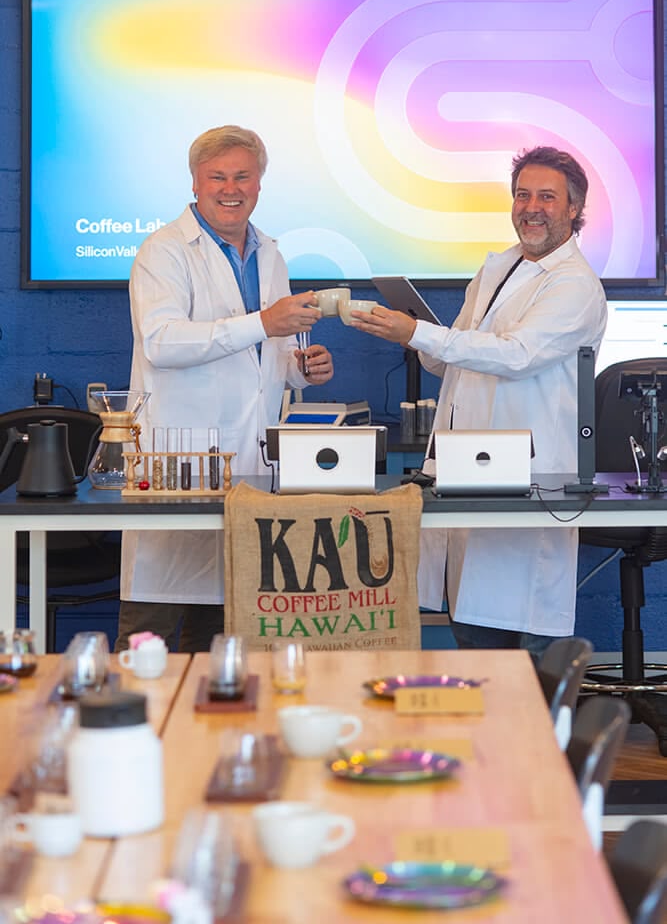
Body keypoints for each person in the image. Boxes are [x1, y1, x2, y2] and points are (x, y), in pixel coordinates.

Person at [351, 146, 607, 660]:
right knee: (474, 631)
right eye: (522, 194)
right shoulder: (499, 268)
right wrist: (413, 336)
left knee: (528, 642)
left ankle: (537, 738)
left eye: (547, 197)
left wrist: (421, 332)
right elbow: (452, 363)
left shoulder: (576, 286)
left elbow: (516, 355)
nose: (531, 206)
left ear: (575, 210)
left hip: (531, 479)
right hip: (470, 474)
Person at [115, 126, 334, 652]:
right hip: (177, 460)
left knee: (226, 636)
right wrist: (264, 322)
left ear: (260, 183)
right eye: (217, 177)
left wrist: (301, 367)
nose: (230, 188)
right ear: (196, 183)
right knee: (151, 633)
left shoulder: (270, 253)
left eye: (242, 176)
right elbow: (163, 342)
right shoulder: (163, 251)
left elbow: (267, 354)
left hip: (249, 464)